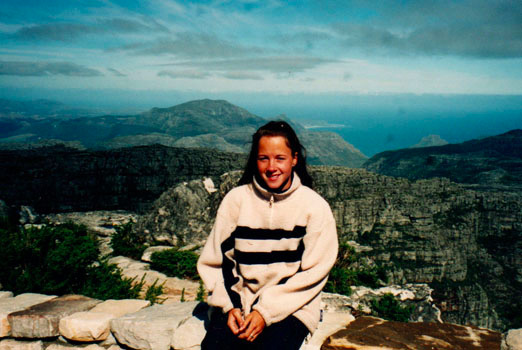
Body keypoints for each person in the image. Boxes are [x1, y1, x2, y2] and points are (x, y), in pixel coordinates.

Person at [197, 121, 338, 350]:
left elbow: (314, 272)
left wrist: (265, 312)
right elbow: (216, 262)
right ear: (255, 160)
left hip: (293, 306)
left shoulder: (314, 207)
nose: (272, 166)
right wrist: (229, 307)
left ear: (294, 159)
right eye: (264, 158)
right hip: (239, 301)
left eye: (280, 158)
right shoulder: (237, 200)